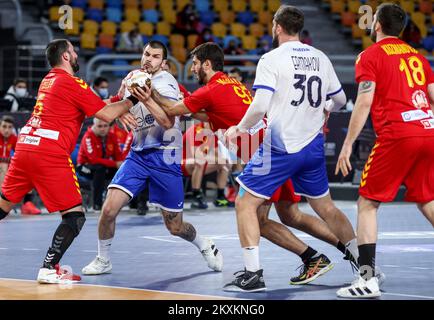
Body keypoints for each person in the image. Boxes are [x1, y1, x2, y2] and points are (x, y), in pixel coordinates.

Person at [139, 41, 360, 290]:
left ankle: (300, 261)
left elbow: (173, 108)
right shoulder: (229, 83)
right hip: (275, 148)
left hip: (265, 157)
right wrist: (179, 95)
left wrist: (149, 92)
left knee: (257, 217)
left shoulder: (210, 91)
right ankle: (348, 250)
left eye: (195, 64)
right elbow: (200, 112)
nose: (192, 69)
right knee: (291, 214)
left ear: (207, 64)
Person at [221, 5, 363, 292]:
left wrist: (239, 128)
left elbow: (260, 104)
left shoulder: (271, 58)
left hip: (281, 146)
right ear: (299, 28)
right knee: (325, 207)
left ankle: (253, 274)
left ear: (277, 26)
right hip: (312, 145)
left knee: (245, 203)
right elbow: (338, 99)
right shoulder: (320, 57)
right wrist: (324, 108)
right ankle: (365, 264)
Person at [0, 39, 138, 284]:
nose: (76, 56)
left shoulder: (49, 80)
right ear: (65, 56)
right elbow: (105, 114)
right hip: (49, 152)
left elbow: (95, 106)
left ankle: (50, 267)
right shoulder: (73, 82)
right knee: (74, 216)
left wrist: (118, 102)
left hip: (25, 147)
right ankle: (48, 268)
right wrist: (133, 99)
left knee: (3, 207)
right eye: (73, 52)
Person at [82, 41, 223, 276]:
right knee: (108, 210)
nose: (148, 59)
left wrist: (146, 98)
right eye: (146, 54)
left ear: (164, 63)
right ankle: (103, 259)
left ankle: (203, 244)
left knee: (175, 227)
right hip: (138, 156)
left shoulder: (166, 83)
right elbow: (115, 104)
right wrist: (123, 111)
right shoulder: (131, 78)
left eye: (155, 56)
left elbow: (168, 122)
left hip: (165, 158)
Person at [335, 3, 434, 298]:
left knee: (367, 204)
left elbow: (364, 101)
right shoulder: (416, 55)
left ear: (377, 25)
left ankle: (367, 279)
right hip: (428, 131)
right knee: (427, 199)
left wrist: (348, 143)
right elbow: (431, 95)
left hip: (398, 134)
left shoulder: (370, 55)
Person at [182, 121, 233, 209]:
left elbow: (217, 154)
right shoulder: (195, 130)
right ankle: (196, 196)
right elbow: (196, 154)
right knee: (200, 162)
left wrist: (224, 161)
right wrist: (218, 159)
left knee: (224, 166)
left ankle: (220, 197)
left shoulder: (212, 134)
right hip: (181, 162)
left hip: (200, 163)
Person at [77, 118, 123, 211]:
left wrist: (120, 165)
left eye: (105, 126)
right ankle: (97, 204)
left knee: (123, 170)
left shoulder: (112, 136)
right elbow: (93, 160)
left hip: (103, 167)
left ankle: (132, 202)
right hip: (84, 167)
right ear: (94, 126)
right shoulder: (88, 136)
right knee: (99, 169)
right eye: (99, 126)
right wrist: (115, 164)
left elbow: (118, 156)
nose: (103, 129)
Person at [0, 115, 41, 215]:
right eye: (4, 126)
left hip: (8, 172)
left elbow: (22, 153)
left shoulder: (14, 138)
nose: (6, 130)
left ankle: (27, 204)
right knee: (3, 166)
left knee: (28, 169)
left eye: (10, 127)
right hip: (2, 170)